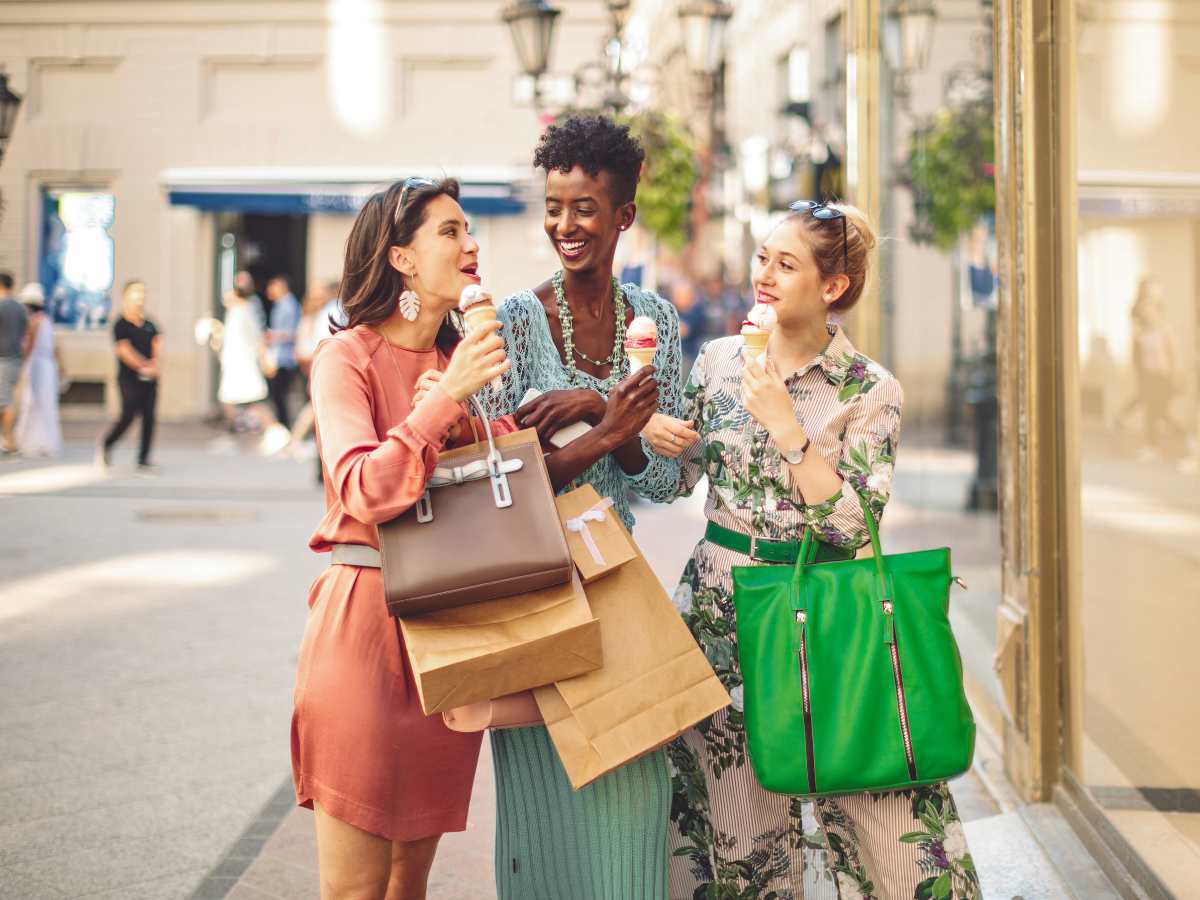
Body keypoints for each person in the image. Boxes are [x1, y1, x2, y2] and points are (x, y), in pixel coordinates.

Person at [649, 202, 981, 899]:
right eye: (763, 256)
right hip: (723, 614)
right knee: (742, 837)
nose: (764, 275)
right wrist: (647, 436)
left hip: (830, 619)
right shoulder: (715, 362)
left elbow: (854, 525)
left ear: (833, 286)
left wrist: (786, 426)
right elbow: (675, 480)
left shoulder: (869, 389)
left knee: (882, 813)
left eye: (786, 263)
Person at [475, 114, 683, 900]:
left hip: (616, 579)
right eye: (554, 206)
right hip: (534, 584)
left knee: (637, 788)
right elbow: (503, 476)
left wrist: (600, 412)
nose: (566, 224)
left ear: (623, 214)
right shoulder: (515, 320)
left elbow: (662, 483)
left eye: (585, 208)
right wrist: (607, 422)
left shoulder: (654, 322)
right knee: (541, 808)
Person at [291, 178, 517, 900]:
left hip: (452, 628)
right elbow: (363, 487)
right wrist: (443, 402)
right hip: (362, 625)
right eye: (450, 231)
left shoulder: (468, 360)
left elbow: (508, 476)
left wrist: (470, 406)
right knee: (356, 889)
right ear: (402, 259)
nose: (470, 244)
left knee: (406, 884)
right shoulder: (346, 357)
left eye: (467, 229)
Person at [212, 270, 287, 453]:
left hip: (244, 363)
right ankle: (233, 435)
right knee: (230, 400)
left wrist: (264, 361)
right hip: (233, 361)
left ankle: (277, 432)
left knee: (252, 400)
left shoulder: (248, 308)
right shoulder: (235, 309)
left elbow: (257, 338)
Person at [99, 280, 162, 472]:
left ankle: (143, 459)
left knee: (149, 418)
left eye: (142, 292)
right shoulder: (121, 324)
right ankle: (107, 444)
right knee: (128, 415)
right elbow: (123, 351)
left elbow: (158, 346)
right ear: (126, 297)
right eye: (136, 292)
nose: (140, 297)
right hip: (129, 379)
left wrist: (154, 366)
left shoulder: (151, 324)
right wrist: (143, 366)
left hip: (150, 379)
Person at [14, 283, 63, 458]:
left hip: (38, 366)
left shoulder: (35, 322)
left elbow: (29, 347)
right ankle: (44, 441)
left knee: (32, 402)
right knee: (45, 404)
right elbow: (56, 348)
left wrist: (20, 364)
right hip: (47, 365)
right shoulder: (47, 320)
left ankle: (29, 441)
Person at [265, 274, 302, 428]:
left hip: (285, 357)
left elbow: (293, 332)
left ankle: (284, 426)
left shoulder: (289, 305)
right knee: (278, 394)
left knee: (279, 393)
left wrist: (273, 335)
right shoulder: (280, 305)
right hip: (279, 356)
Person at [0, 272, 28, 456]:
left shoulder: (2, 307)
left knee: (6, 400)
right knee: (6, 398)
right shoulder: (20, 308)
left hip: (3, 358)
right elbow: (25, 332)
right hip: (16, 359)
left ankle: (10, 442)